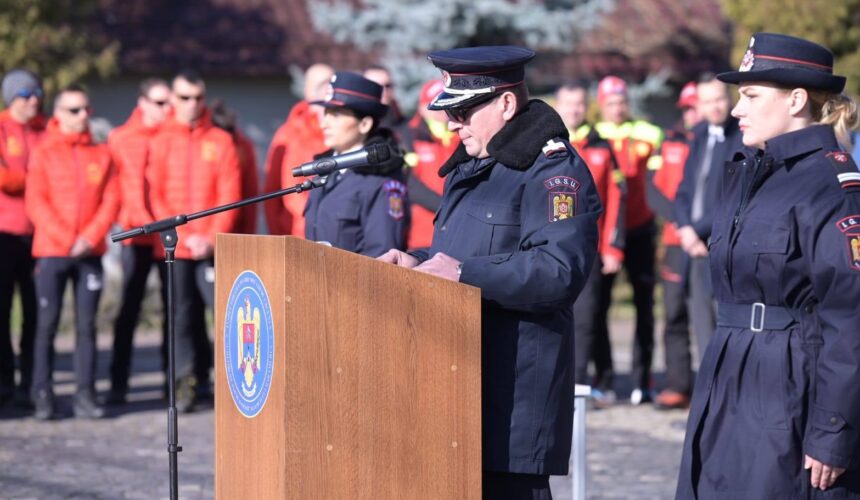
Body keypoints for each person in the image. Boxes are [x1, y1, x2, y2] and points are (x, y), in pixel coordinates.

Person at [379, 46, 601, 500]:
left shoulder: (553, 171)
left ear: (505, 103)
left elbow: (558, 271)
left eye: (462, 111)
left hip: (512, 402)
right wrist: (419, 262)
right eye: (449, 111)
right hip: (459, 389)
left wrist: (462, 272)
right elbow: (466, 252)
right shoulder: (477, 165)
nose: (451, 123)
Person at [676, 33, 860, 497]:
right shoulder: (746, 172)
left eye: (752, 96)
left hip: (790, 382)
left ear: (797, 99)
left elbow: (851, 317)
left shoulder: (832, 186)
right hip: (727, 371)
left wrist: (833, 429)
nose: (738, 109)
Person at [147, 70, 242, 412]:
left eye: (198, 97)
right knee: (180, 318)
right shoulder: (159, 140)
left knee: (223, 315)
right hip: (175, 248)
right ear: (173, 99)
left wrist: (211, 237)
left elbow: (230, 195)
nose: (192, 104)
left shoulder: (220, 140)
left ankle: (229, 384)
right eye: (185, 97)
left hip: (210, 247)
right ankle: (184, 383)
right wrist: (184, 237)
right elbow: (156, 195)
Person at [27, 85, 120, 419]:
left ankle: (85, 394)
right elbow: (36, 202)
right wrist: (67, 239)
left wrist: (89, 237)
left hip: (89, 252)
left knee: (86, 327)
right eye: (74, 110)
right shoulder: (43, 152)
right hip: (53, 250)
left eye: (85, 109)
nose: (83, 116)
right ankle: (42, 393)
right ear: (58, 114)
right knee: (46, 324)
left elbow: (112, 199)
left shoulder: (101, 153)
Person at [554, 81, 626, 408]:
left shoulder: (602, 146)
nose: (573, 110)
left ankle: (577, 385)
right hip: (550, 247)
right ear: (558, 104)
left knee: (585, 318)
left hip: (590, 249)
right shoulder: (546, 144)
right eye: (568, 103)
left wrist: (613, 247)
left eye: (579, 103)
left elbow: (615, 200)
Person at [595, 75, 664, 404]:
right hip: (606, 233)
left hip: (640, 229)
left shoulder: (649, 133)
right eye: (610, 102)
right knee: (598, 307)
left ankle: (643, 378)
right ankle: (604, 377)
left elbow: (657, 181)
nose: (617, 107)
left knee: (644, 307)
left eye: (621, 101)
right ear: (601, 105)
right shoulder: (593, 137)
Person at [107, 78, 172, 405]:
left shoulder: (171, 137)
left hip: (167, 234)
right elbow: (119, 187)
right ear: (143, 103)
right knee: (129, 309)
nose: (167, 109)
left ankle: (171, 383)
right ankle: (118, 382)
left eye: (169, 102)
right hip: (136, 234)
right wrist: (135, 221)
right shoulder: (121, 138)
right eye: (160, 102)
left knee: (171, 309)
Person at [673, 73, 743, 361]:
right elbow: (684, 190)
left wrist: (696, 232)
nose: (714, 107)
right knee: (701, 327)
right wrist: (686, 229)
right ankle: (707, 397)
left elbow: (733, 195)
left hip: (722, 245)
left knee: (726, 328)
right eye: (707, 101)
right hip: (694, 247)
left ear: (729, 99)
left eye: (719, 99)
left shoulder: (743, 136)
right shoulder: (699, 134)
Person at [303, 72, 408, 256]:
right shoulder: (324, 172)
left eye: (336, 115)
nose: (324, 124)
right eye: (325, 113)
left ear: (365, 124)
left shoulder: (380, 179)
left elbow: (383, 256)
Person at [646, 81, 700, 410]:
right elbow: (653, 190)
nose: (693, 113)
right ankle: (679, 385)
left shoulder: (724, 140)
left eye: (697, 107)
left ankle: (713, 388)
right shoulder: (668, 142)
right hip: (676, 243)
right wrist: (680, 222)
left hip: (708, 243)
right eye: (689, 108)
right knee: (675, 316)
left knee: (710, 315)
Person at [0, 69, 46, 408]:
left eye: (37, 94)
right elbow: (5, 179)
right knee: (3, 310)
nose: (34, 100)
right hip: (4, 233)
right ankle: (5, 380)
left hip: (40, 234)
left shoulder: (47, 130)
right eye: (27, 94)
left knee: (36, 311)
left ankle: (32, 379)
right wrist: (36, 179)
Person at [265, 63, 332, 236]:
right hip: (299, 233)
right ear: (307, 91)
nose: (326, 91)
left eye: (331, 84)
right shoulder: (288, 134)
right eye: (321, 86)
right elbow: (274, 194)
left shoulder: (343, 131)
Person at [399, 79, 460, 250]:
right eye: (435, 103)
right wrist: (445, 207)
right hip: (423, 235)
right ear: (422, 107)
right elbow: (409, 183)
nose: (441, 110)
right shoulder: (409, 136)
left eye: (446, 102)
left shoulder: (464, 135)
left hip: (459, 231)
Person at [210, 99, 259, 234]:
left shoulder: (243, 147)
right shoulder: (207, 144)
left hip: (237, 224)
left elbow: (250, 193)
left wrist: (248, 233)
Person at [363, 64, 406, 130]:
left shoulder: (410, 128)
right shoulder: (350, 127)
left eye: (387, 86)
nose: (384, 91)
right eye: (376, 86)